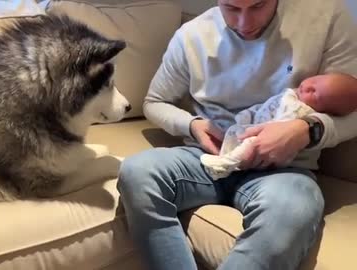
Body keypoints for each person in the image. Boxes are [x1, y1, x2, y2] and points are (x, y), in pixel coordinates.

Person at [116, 0, 357, 270]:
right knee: (137, 171)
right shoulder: (192, 35)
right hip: (206, 158)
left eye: (258, 6)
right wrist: (193, 125)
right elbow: (154, 102)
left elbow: (353, 105)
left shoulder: (327, 17)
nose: (245, 24)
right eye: (231, 8)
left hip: (284, 171)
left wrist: (307, 130)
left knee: (294, 209)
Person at [201, 73, 357, 180]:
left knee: (251, 144)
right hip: (246, 130)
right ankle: (225, 158)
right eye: (315, 80)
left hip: (272, 156)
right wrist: (247, 115)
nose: (308, 87)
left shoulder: (300, 110)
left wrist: (307, 129)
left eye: (315, 94)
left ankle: (225, 164)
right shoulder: (291, 95)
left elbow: (277, 130)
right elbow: (264, 107)